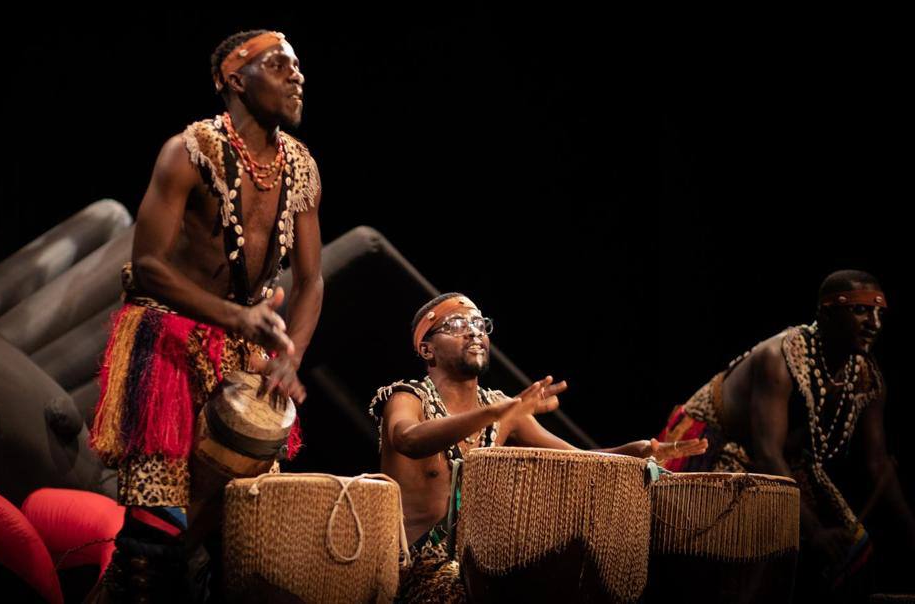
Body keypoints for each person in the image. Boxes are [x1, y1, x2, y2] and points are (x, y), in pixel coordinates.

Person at [88, 30, 324, 600]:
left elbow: (312, 280)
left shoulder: (301, 168)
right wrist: (232, 316)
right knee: (158, 542)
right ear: (234, 79)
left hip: (243, 358)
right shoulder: (189, 151)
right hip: (166, 342)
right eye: (279, 65)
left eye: (297, 66)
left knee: (245, 536)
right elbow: (147, 265)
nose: (297, 75)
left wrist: (290, 356)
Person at [369, 293, 706, 602]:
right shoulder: (405, 397)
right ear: (427, 349)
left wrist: (636, 450)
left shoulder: (503, 408)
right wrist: (498, 412)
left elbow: (576, 460)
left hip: (476, 567)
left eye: (478, 323)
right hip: (412, 571)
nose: (473, 332)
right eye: (456, 325)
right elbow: (408, 439)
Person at [656, 270, 915, 599]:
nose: (874, 323)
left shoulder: (866, 379)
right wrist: (815, 532)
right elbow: (766, 453)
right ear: (827, 313)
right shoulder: (779, 358)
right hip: (712, 446)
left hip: (782, 460)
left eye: (880, 313)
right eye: (861, 310)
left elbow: (878, 464)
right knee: (744, 551)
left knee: (852, 548)